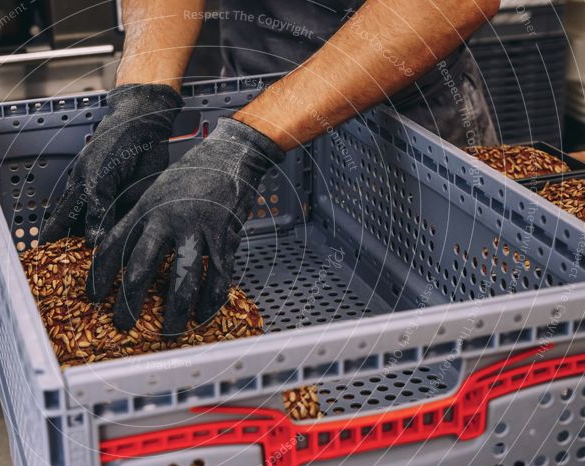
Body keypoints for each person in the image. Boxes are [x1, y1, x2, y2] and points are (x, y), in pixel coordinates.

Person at [40, 0, 501, 337]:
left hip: (403, 121)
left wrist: (250, 140)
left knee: (448, 323)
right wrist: (146, 90)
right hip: (252, 94)